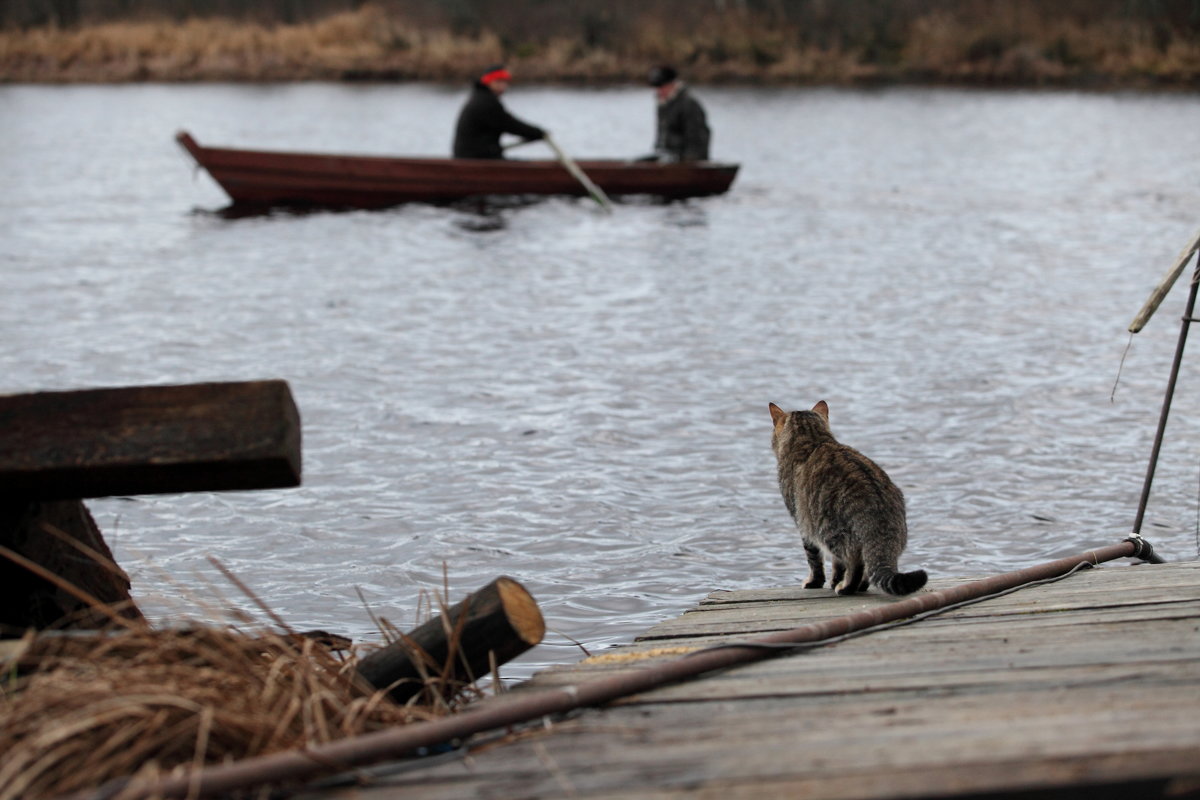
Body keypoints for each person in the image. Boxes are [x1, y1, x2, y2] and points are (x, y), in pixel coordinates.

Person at [452, 65, 546, 159]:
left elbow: (507, 123)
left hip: (474, 158)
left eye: (505, 82)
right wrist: (539, 133)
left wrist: (536, 133)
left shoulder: (480, 97)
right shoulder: (485, 102)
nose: (503, 86)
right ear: (488, 82)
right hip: (477, 160)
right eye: (498, 82)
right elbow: (510, 125)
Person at [646, 65, 710, 162]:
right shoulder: (663, 104)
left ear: (672, 84)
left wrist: (689, 161)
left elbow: (697, 138)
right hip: (665, 157)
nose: (659, 91)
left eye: (662, 87)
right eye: (657, 87)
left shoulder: (689, 104)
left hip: (685, 161)